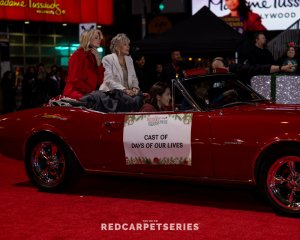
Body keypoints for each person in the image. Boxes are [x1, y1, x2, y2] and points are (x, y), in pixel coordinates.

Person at [63, 29, 104, 100]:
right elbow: (75, 80)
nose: (99, 40)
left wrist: (98, 63)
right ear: (88, 39)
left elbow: (100, 81)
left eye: (99, 38)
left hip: (88, 94)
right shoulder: (77, 55)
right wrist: (92, 92)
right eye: (96, 38)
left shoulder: (93, 56)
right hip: (75, 94)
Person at [211, 57, 295, 85]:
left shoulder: (239, 69)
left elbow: (260, 69)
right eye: (214, 69)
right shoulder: (211, 79)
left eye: (218, 67)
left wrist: (281, 68)